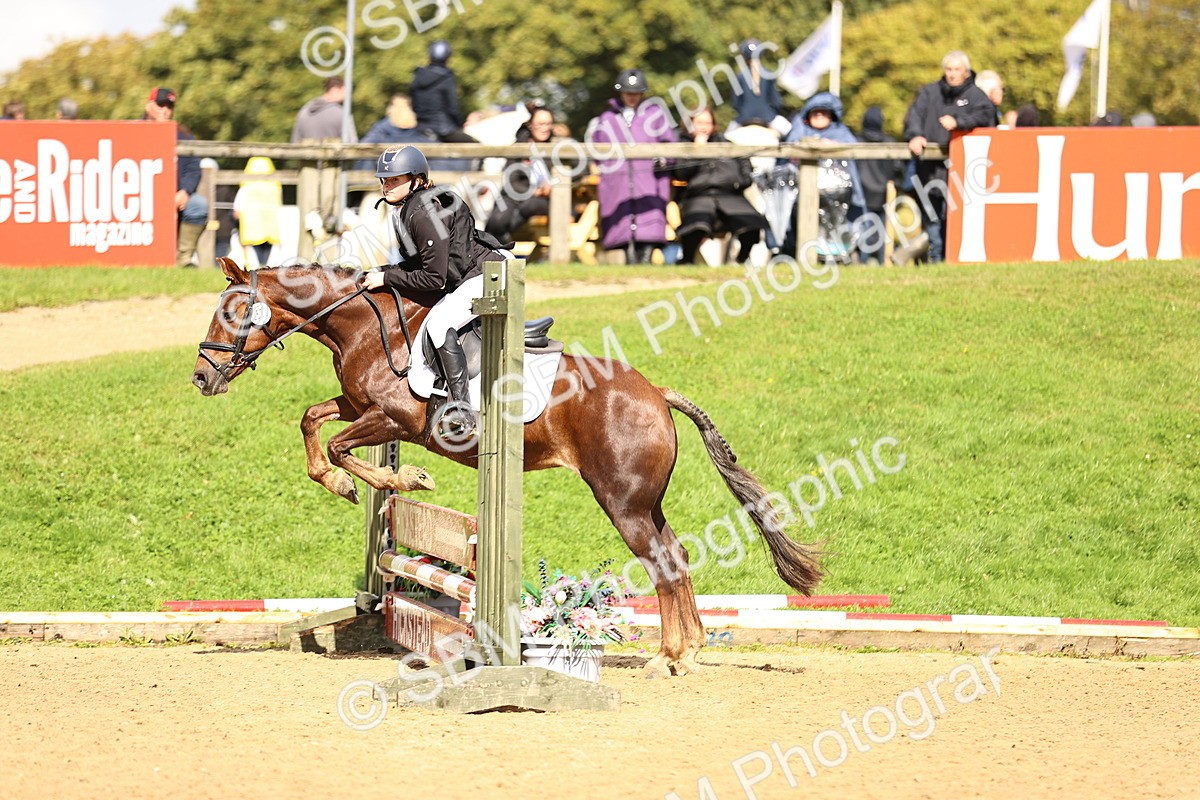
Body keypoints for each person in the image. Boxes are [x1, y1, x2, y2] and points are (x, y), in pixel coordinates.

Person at [361, 145, 508, 439]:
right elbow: (421, 264)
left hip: (488, 276)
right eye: (384, 180)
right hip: (468, 273)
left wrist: (387, 277)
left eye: (394, 179)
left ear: (416, 179)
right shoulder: (411, 207)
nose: (386, 185)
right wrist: (386, 272)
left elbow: (433, 279)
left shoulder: (424, 212)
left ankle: (462, 411)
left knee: (441, 324)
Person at [903, 50, 996, 263]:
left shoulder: (976, 96)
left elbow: (985, 116)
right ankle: (935, 261)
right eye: (949, 69)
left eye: (957, 70)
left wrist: (959, 122)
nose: (952, 74)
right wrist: (915, 135)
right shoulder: (930, 93)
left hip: (962, 171)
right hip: (929, 169)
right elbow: (914, 116)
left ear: (965, 72)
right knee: (931, 217)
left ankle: (951, 259)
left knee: (954, 217)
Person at [589, 68, 678, 264]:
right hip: (618, 182)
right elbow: (597, 151)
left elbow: (669, 145)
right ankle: (630, 263)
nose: (632, 97)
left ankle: (645, 260)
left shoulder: (656, 115)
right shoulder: (607, 119)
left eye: (636, 93)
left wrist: (662, 159)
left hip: (648, 182)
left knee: (649, 225)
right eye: (628, 93)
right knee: (620, 228)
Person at [673, 107, 765, 265]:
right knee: (696, 225)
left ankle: (741, 261)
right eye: (699, 123)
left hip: (730, 195)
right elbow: (681, 174)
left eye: (707, 123)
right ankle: (687, 260)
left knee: (752, 224)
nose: (703, 127)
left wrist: (740, 182)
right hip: (697, 196)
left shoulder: (727, 144)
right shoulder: (681, 144)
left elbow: (746, 168)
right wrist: (697, 150)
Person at [785, 92, 866, 261]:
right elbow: (787, 158)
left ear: (831, 115)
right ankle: (801, 254)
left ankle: (841, 255)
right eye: (815, 112)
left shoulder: (842, 134)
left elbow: (854, 157)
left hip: (839, 194)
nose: (819, 115)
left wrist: (835, 148)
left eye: (823, 112)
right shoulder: (799, 131)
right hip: (803, 195)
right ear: (808, 115)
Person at [143, 87, 206, 268]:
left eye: (169, 106)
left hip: (174, 196)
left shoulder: (183, 135)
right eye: (160, 104)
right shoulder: (134, 130)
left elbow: (193, 169)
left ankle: (182, 260)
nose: (165, 110)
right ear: (149, 106)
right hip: (139, 198)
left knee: (198, 205)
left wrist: (185, 191)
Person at [484, 106, 557, 244]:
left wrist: (554, 186)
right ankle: (487, 248)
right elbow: (511, 180)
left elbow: (579, 171)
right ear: (530, 125)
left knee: (530, 206)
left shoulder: (558, 146)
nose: (544, 128)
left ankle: (500, 244)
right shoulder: (519, 146)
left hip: (545, 200)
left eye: (548, 124)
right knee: (498, 218)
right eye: (540, 124)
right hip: (515, 195)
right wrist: (534, 191)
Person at [855, 106, 905, 264]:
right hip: (885, 194)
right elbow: (898, 169)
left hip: (862, 194)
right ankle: (885, 261)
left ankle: (863, 263)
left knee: (864, 231)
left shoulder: (856, 143)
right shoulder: (889, 143)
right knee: (884, 232)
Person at [410, 40, 476, 143]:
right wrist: (459, 125)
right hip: (444, 130)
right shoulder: (447, 78)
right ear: (447, 57)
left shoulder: (418, 76)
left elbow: (414, 105)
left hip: (421, 129)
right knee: (476, 145)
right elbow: (453, 108)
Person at [729, 39, 788, 137]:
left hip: (744, 117)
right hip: (768, 117)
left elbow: (735, 103)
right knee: (790, 132)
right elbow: (777, 102)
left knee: (726, 137)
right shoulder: (769, 74)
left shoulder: (739, 76)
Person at [232, 157, 283, 268]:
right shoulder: (275, 186)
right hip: (271, 228)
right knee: (268, 261)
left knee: (252, 261)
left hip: (251, 228)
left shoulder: (246, 186)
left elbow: (237, 209)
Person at [291, 76, 357, 143]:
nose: (345, 96)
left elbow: (295, 141)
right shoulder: (342, 114)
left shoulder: (304, 111)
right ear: (334, 90)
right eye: (344, 92)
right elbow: (352, 143)